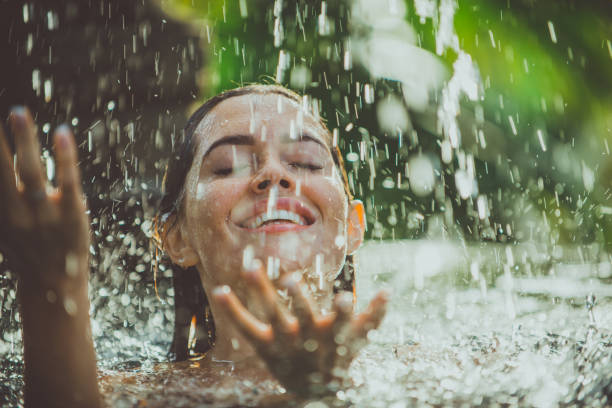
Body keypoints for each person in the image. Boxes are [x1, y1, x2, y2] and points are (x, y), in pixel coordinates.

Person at [0, 84, 388, 407]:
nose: (274, 174)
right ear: (176, 238)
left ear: (353, 227)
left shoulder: (430, 375)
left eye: (305, 161)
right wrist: (50, 285)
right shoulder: (123, 395)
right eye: (228, 166)